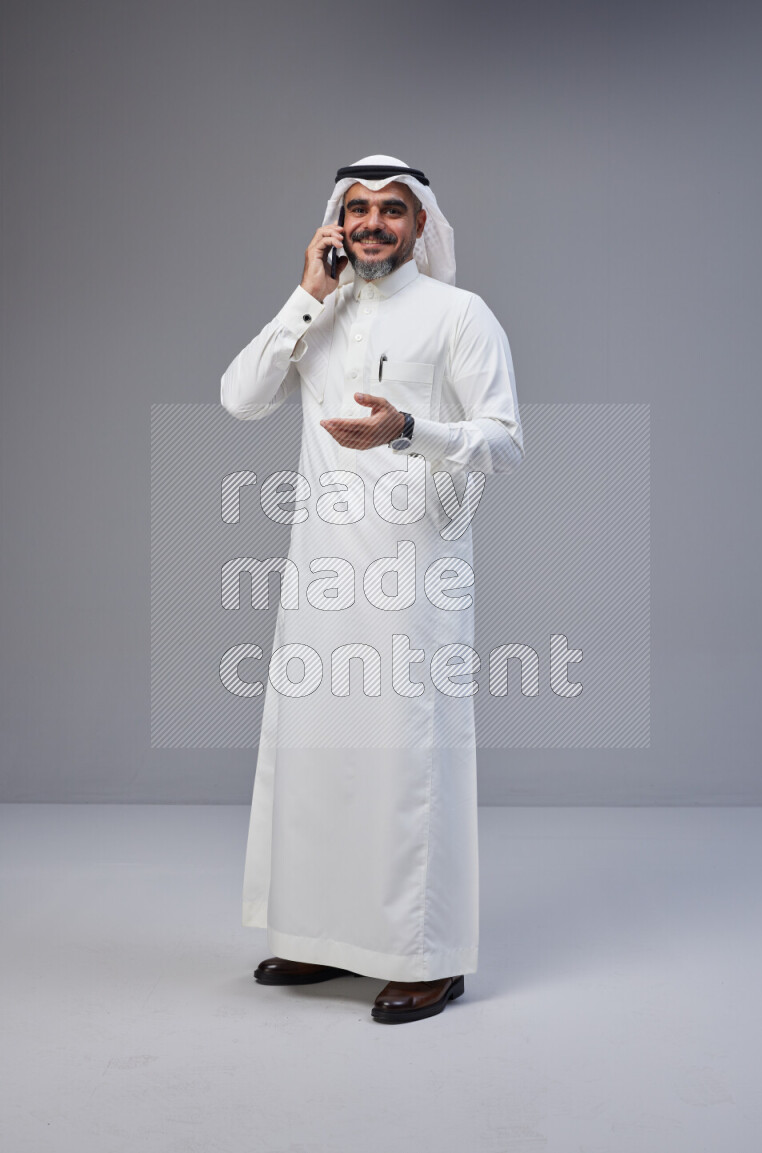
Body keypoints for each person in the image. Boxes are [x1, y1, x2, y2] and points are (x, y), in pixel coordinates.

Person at [220, 154, 524, 1024]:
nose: (373, 225)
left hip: (414, 576)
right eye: (358, 210)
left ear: (422, 224)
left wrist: (409, 429)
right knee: (320, 756)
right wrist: (305, 294)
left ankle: (428, 958)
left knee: (405, 764)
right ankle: (323, 937)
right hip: (321, 575)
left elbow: (505, 440)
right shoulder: (320, 311)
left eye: (393, 210)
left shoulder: (460, 315)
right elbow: (239, 397)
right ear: (336, 223)